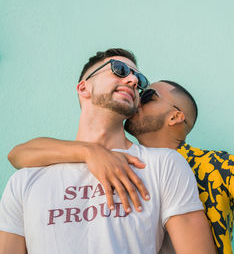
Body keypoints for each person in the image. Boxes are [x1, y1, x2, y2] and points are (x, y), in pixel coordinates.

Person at [7, 14, 234, 254]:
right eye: (126, 76)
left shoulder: (209, 167)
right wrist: (89, 152)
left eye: (147, 91)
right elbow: (20, 154)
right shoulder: (68, 165)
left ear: (176, 118)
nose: (135, 86)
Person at [0, 49, 215, 254]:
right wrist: (89, 151)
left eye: (139, 81)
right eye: (119, 69)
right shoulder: (25, 181)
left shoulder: (164, 165)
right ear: (83, 88)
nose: (132, 81)